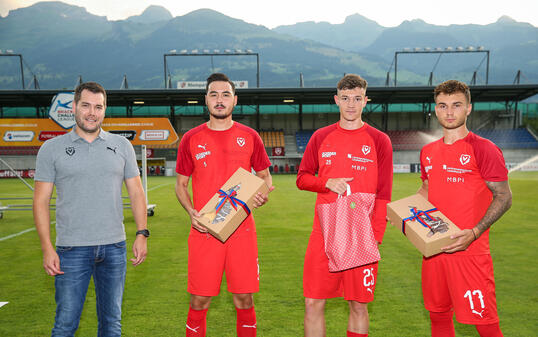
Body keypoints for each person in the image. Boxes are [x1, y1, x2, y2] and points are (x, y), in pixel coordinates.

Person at [33, 81, 148, 337]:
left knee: (111, 325)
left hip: (114, 248)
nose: (92, 112)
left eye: (98, 107)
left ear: (105, 110)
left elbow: (137, 193)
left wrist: (142, 233)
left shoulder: (122, 146)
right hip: (71, 250)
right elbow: (40, 201)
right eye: (86, 105)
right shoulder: (52, 149)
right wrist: (46, 247)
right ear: (74, 107)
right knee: (65, 325)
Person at [175, 73, 274, 337]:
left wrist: (261, 195)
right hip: (205, 232)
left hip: (242, 231)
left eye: (225, 94)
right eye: (214, 94)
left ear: (235, 100)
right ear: (205, 100)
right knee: (199, 301)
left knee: (244, 299)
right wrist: (191, 212)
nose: (220, 100)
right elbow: (180, 185)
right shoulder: (191, 139)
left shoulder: (250, 136)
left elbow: (265, 178)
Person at [296, 74, 393, 337]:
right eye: (346, 98)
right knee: (313, 302)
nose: (351, 105)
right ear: (337, 100)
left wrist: (375, 238)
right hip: (324, 233)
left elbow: (384, 193)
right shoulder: (320, 136)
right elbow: (302, 178)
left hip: (362, 233)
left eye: (357, 99)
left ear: (365, 101)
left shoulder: (379, 140)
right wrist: (326, 182)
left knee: (358, 305)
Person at [418, 80, 512, 337]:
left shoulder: (483, 149)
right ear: (435, 109)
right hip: (434, 251)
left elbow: (504, 196)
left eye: (456, 105)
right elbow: (427, 190)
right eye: (443, 106)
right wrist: (404, 213)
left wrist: (475, 231)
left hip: (470, 251)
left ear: (468, 108)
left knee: (486, 324)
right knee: (438, 317)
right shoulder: (427, 151)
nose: (449, 112)